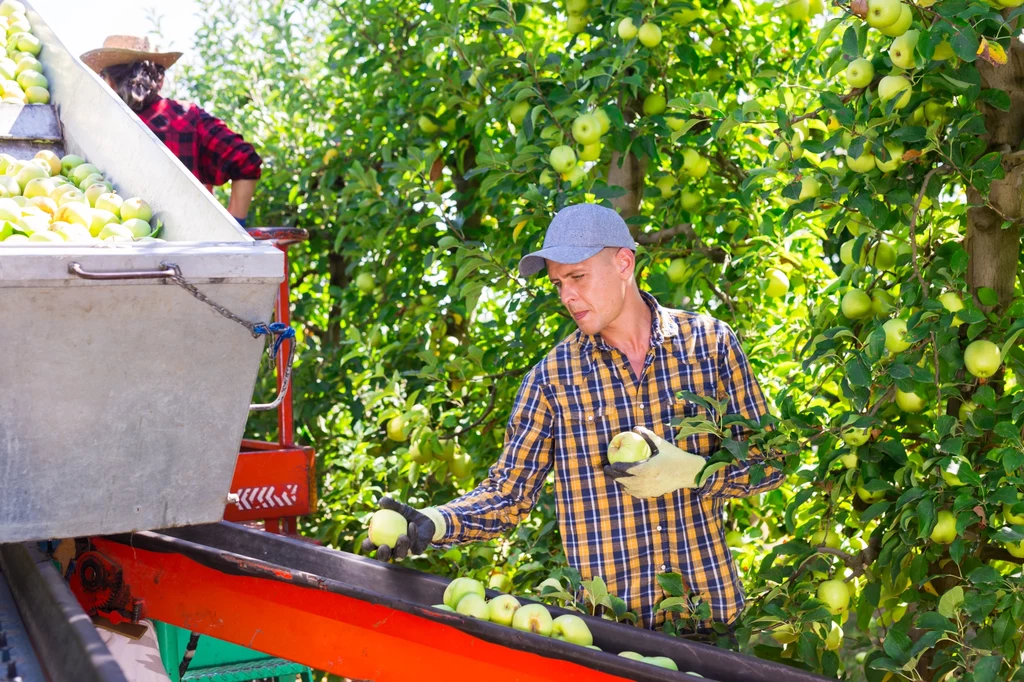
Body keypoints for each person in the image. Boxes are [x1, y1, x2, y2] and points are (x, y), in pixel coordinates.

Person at [363, 203, 786, 631]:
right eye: (558, 283)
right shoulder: (552, 379)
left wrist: (696, 472)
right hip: (610, 634)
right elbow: (508, 495)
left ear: (624, 263)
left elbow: (773, 462)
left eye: (578, 277)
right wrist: (434, 523)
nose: (567, 296)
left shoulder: (709, 345)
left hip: (710, 619)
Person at [80, 36, 261, 227]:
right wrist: (235, 225)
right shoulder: (187, 118)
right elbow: (246, 160)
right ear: (160, 81)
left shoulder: (99, 126)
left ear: (109, 83)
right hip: (188, 243)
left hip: (115, 237)